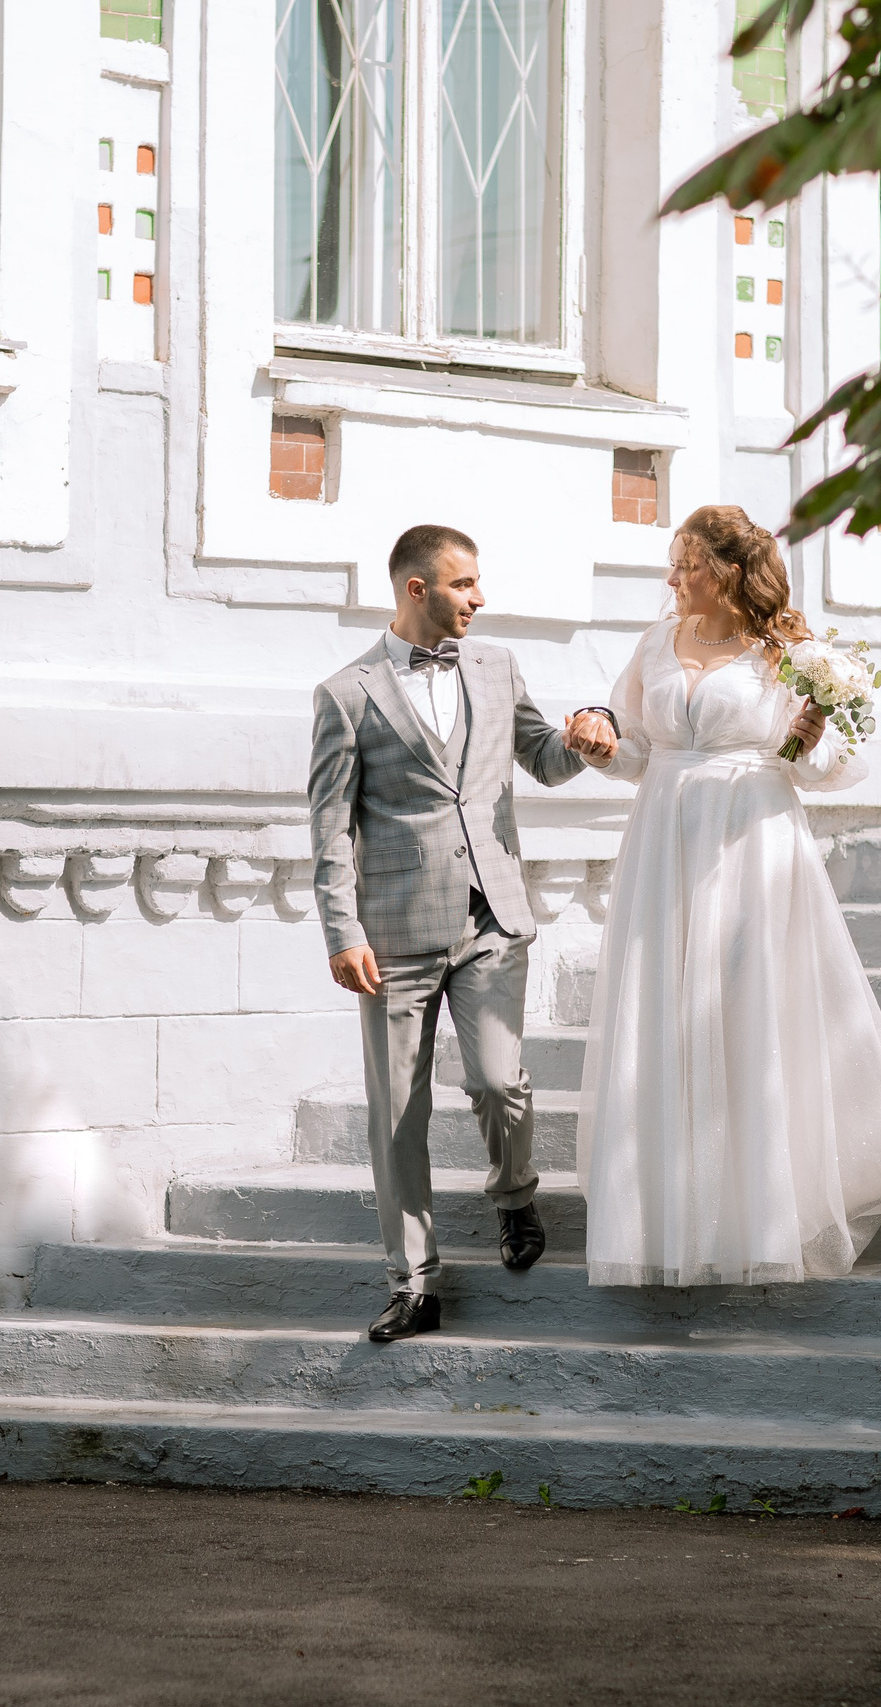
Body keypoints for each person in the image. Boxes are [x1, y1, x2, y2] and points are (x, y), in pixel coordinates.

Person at [559, 505, 881, 1288]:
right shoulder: (654, 644)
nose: (672, 578)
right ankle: (665, 1214)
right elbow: (637, 747)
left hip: (752, 835)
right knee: (666, 1014)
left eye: (686, 563)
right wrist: (600, 741)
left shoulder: (790, 653)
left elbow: (836, 761)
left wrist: (808, 745)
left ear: (729, 571)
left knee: (747, 1010)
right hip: (664, 839)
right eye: (672, 563)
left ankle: (756, 1211)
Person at [308, 524, 620, 1343]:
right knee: (396, 1111)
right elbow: (330, 827)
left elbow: (544, 759)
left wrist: (588, 730)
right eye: (464, 584)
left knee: (497, 1077)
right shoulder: (347, 693)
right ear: (418, 588)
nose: (479, 598)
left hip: (492, 915)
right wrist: (343, 930)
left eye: (478, 583)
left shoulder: (496, 665)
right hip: (394, 935)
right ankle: (413, 1282)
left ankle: (515, 1193)